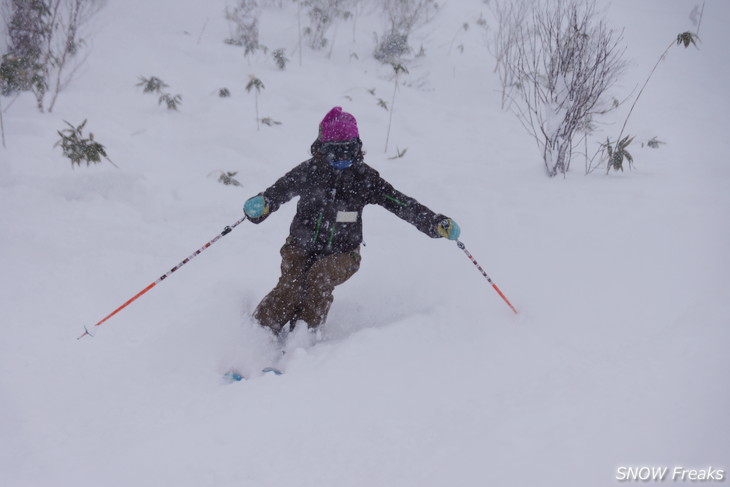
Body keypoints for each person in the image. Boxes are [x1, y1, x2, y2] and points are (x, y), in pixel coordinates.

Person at [243, 106, 460, 335]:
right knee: (291, 287)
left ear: (358, 148)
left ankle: (303, 336)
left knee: (319, 277)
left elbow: (400, 202)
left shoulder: (364, 178)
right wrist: (263, 204)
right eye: (335, 151)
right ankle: (257, 335)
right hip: (299, 246)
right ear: (320, 149)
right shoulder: (309, 172)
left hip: (344, 252)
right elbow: (279, 192)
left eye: (349, 150)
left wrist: (433, 223)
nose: (342, 158)